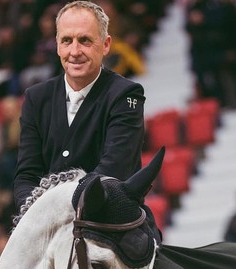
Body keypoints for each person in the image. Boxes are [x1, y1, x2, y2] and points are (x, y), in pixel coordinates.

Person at [12, 0, 146, 211]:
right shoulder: (35, 98)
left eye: (84, 40)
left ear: (106, 45)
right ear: (57, 45)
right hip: (48, 224)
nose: (75, 51)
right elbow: (27, 176)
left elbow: (113, 170)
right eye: (67, 40)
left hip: (111, 224)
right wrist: (35, 215)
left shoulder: (126, 94)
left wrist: (59, 209)